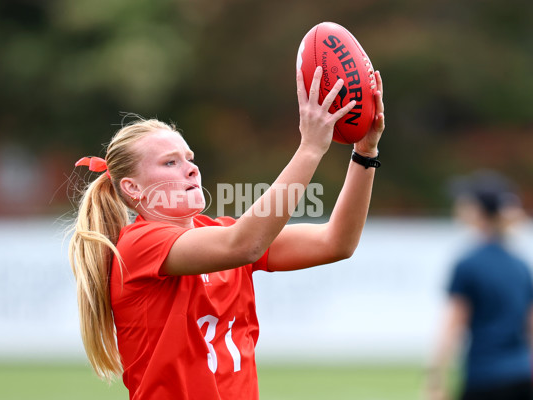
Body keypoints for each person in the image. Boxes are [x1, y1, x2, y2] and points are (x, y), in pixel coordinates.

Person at [68, 66, 385, 399]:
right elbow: (245, 244)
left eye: (189, 157)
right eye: (170, 162)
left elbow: (336, 242)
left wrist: (364, 154)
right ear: (133, 188)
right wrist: (309, 149)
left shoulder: (222, 234)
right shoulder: (139, 244)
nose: (191, 167)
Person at [427, 170, 533, 400]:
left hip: (484, 377)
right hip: (523, 376)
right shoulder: (521, 265)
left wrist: (435, 378)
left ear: (477, 210)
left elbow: (453, 326)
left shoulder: (468, 264)